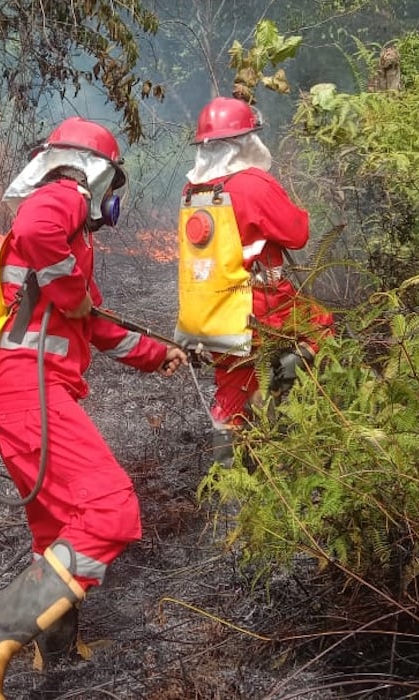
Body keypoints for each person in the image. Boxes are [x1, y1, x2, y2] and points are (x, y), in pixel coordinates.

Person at [0, 117, 188, 700]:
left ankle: (58, 651)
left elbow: (94, 324)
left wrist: (161, 355)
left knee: (57, 527)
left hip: (25, 393)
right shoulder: (63, 198)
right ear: (97, 176)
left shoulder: (70, 243)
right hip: (30, 391)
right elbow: (40, 235)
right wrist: (71, 289)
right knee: (110, 511)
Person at [173, 96, 333, 463]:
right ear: (246, 141)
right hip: (257, 307)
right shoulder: (252, 184)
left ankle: (228, 478)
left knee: (231, 391)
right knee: (321, 325)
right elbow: (298, 234)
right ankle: (282, 380)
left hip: (210, 315)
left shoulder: (191, 192)